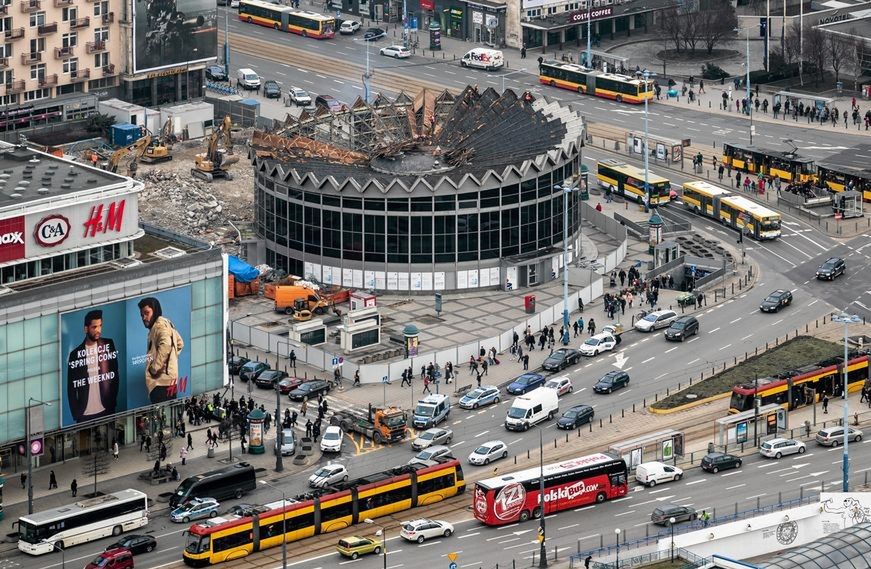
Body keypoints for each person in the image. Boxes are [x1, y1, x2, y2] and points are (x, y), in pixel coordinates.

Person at [67, 309, 120, 424]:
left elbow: (115, 376)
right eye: (94, 327)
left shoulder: (108, 344)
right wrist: (76, 413)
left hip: (106, 409)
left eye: (100, 326)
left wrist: (112, 402)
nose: (98, 330)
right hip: (84, 414)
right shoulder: (75, 354)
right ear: (86, 329)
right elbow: (71, 388)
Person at [138, 297, 185, 404]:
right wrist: (170, 360)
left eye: (147, 313)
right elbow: (180, 343)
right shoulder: (166, 323)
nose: (144, 317)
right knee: (169, 413)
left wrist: (155, 368)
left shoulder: (159, 326)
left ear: (155, 311)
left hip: (160, 383)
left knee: (161, 415)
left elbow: (166, 344)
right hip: (170, 381)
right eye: (141, 315)